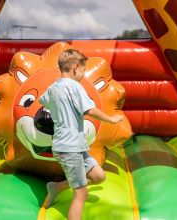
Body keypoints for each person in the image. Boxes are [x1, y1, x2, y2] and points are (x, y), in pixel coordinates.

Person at [39, 49, 124, 220]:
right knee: (81, 194)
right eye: (84, 70)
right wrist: (111, 119)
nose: (84, 75)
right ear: (76, 67)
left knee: (99, 177)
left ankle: (55, 188)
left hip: (73, 146)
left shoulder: (53, 88)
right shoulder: (74, 86)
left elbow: (43, 99)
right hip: (69, 148)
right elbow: (90, 110)